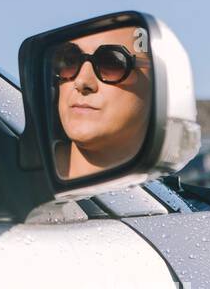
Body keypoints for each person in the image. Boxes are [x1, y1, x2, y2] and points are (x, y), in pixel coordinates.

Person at [52, 26, 151, 180]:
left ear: (159, 83)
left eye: (112, 62)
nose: (81, 81)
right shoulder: (12, 175)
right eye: (69, 61)